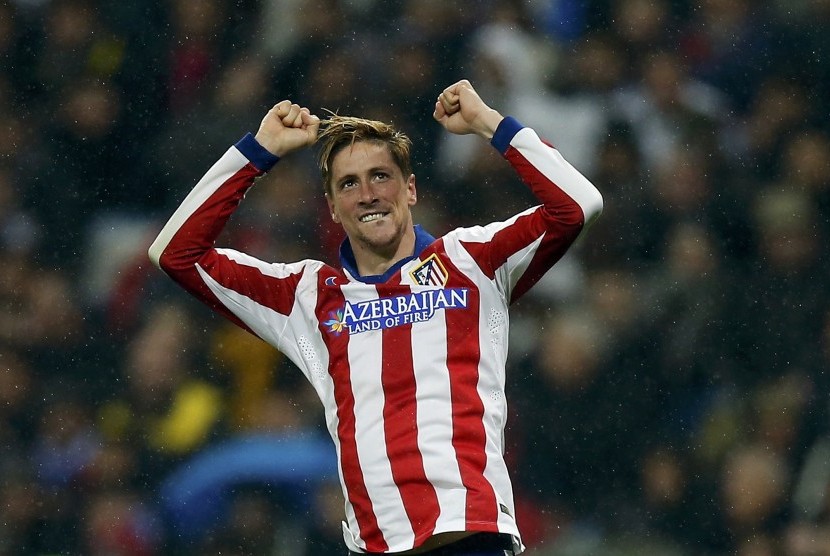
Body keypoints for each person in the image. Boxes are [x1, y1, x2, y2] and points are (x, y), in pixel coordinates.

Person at [148, 79, 603, 555]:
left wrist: (489, 123)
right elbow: (176, 253)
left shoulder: (471, 260)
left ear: (410, 189)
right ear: (332, 207)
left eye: (380, 176)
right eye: (348, 183)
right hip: (376, 546)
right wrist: (257, 152)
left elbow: (578, 204)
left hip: (474, 537)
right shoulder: (308, 297)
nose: (367, 194)